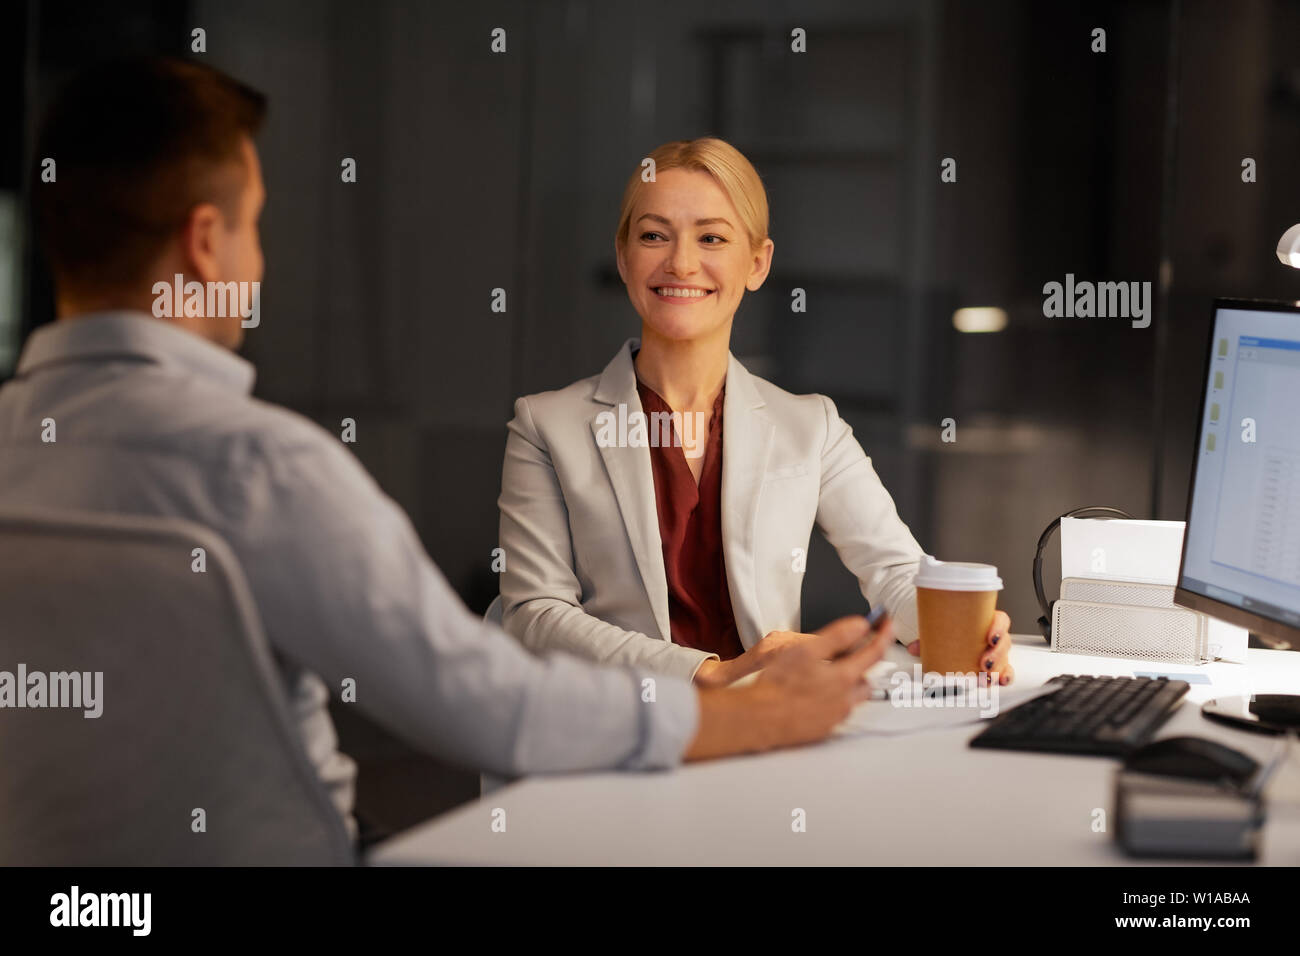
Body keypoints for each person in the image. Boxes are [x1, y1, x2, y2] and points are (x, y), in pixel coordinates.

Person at [0, 60, 892, 842]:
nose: (262, 263)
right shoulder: (265, 468)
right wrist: (750, 709)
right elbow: (483, 700)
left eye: (711, 237)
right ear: (205, 243)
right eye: (256, 225)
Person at [498, 137, 1015, 688]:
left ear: (757, 262)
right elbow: (536, 613)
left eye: (712, 238)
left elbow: (892, 568)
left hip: (766, 724)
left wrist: (956, 623)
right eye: (654, 236)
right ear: (624, 256)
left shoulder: (811, 426)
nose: (682, 262)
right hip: (619, 730)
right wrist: (708, 673)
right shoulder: (545, 425)